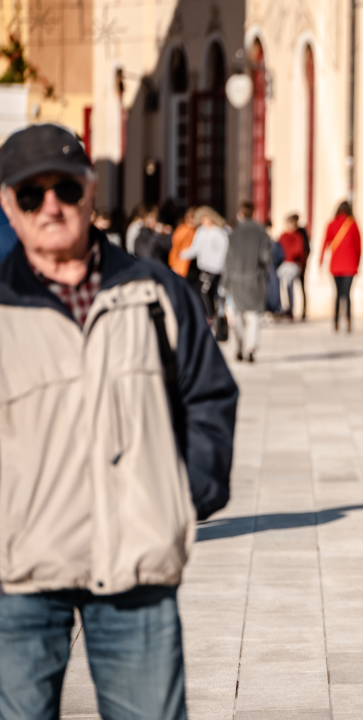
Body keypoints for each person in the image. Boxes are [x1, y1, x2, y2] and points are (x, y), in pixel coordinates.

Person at [0, 122, 237, 720]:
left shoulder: (155, 292)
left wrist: (182, 497)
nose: (50, 205)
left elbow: (209, 396)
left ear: (91, 189)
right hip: (20, 575)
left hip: (136, 566)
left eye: (65, 189)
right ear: (10, 204)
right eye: (31, 194)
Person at [223, 201, 273, 362]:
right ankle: (251, 347)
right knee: (253, 316)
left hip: (236, 280)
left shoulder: (233, 234)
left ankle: (239, 347)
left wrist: (225, 283)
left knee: (236, 316)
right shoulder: (262, 233)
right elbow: (266, 257)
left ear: (241, 214)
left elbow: (227, 261)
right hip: (255, 279)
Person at [181, 206, 229, 324]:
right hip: (204, 268)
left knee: (206, 291)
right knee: (205, 292)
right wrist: (181, 254)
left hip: (216, 268)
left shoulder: (219, 232)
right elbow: (195, 248)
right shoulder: (201, 231)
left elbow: (224, 251)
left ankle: (212, 316)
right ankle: (209, 315)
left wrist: (220, 265)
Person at [320, 200, 362, 332]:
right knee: (347, 294)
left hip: (336, 265)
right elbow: (358, 247)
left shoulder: (331, 224)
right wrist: (358, 263)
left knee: (338, 294)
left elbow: (324, 243)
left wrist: (320, 261)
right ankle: (348, 320)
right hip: (350, 265)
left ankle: (336, 321)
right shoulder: (353, 224)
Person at [277, 213, 307, 318]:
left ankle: (290, 307)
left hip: (295, 264)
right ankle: (281, 306)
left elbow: (299, 251)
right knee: (277, 278)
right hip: (284, 264)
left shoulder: (299, 236)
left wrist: (302, 266)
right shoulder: (283, 236)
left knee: (288, 282)